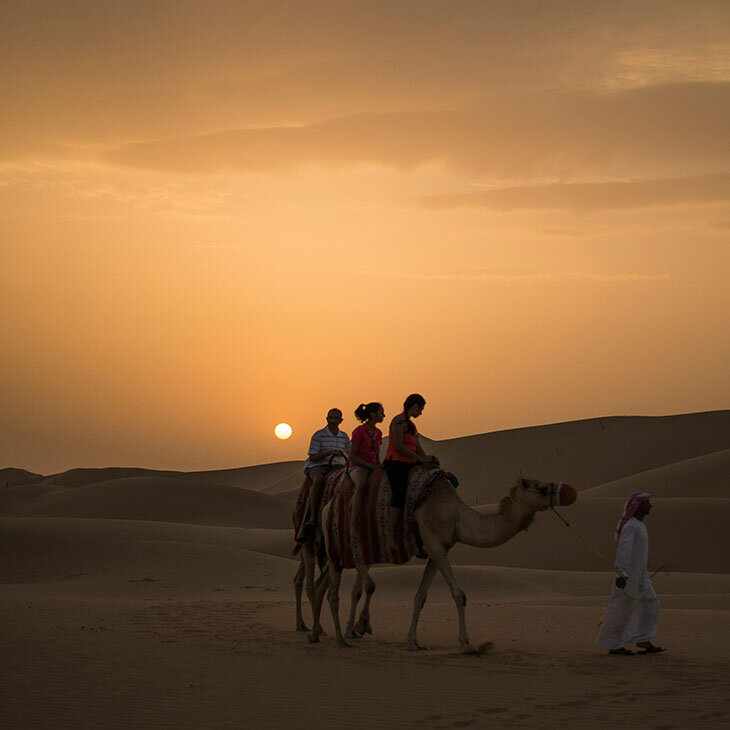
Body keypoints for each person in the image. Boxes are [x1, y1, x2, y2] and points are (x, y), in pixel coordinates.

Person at [596, 491, 665, 655]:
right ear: (639, 506)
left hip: (641, 577)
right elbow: (623, 551)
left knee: (652, 605)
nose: (650, 506)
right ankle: (615, 645)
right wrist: (621, 574)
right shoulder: (631, 526)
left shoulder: (639, 525)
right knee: (622, 609)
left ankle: (642, 639)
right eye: (647, 503)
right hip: (627, 577)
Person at [383, 393, 438, 551]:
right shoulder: (398, 421)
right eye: (420, 409)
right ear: (414, 407)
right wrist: (418, 458)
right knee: (399, 495)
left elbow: (418, 447)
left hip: (410, 463)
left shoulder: (412, 426)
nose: (420, 413)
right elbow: (399, 446)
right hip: (396, 463)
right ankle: (389, 534)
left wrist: (426, 458)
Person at [302, 408, 350, 528]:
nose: (333, 420)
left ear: (341, 420)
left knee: (349, 477)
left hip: (335, 465)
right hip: (316, 465)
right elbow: (313, 457)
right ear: (327, 419)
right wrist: (329, 452)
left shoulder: (344, 437)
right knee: (317, 479)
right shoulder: (319, 435)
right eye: (331, 418)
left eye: (336, 418)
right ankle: (313, 516)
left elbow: (349, 453)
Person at [349, 402, 385, 538]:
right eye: (381, 412)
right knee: (361, 485)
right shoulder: (359, 431)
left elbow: (376, 455)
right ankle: (353, 525)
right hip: (357, 466)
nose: (384, 415)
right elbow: (352, 456)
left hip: (372, 466)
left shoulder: (378, 433)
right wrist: (372, 466)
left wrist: (380, 466)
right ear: (373, 414)